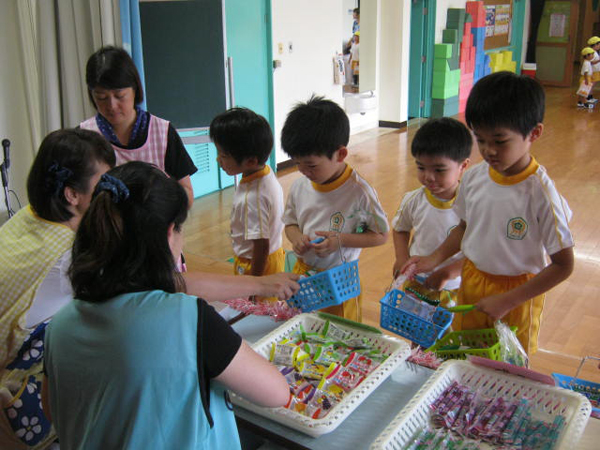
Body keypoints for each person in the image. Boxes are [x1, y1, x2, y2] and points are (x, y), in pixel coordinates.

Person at [42, 162, 289, 449]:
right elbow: (276, 393)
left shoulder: (60, 324)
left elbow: (52, 409)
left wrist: (260, 284)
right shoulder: (189, 318)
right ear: (170, 232)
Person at [402, 72, 574, 355]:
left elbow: (563, 265)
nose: (488, 150)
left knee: (509, 365)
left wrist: (508, 300)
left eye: (500, 141)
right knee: (468, 355)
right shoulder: (474, 178)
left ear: (534, 133)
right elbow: (465, 227)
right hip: (472, 280)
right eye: (480, 139)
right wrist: (435, 260)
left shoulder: (540, 192)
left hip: (517, 293)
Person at [0, 129, 115, 449]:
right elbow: (156, 287)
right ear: (71, 194)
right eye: (102, 183)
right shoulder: (69, 256)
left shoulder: (31, 215)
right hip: (17, 397)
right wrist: (260, 284)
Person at [281, 95, 389, 321]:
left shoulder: (359, 192)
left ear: (340, 154)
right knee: (304, 326)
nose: (302, 170)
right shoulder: (301, 185)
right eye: (296, 162)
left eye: (310, 164)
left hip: (340, 280)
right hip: (304, 273)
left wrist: (341, 241)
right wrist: (296, 238)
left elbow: (380, 235)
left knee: (342, 333)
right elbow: (290, 223)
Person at [80, 46, 197, 208]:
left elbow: (187, 194)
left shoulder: (162, 132)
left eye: (120, 96)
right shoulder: (85, 137)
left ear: (135, 89)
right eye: (101, 98)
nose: (112, 106)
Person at [392, 118, 471, 305]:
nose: (428, 177)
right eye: (421, 167)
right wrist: (402, 258)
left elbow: (481, 251)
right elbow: (400, 229)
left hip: (454, 286)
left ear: (463, 166)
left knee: (449, 332)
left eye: (439, 170)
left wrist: (449, 272)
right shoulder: (414, 199)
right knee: (413, 328)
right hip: (415, 281)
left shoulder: (472, 204)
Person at [209, 108, 285, 303]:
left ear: (251, 160)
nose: (219, 160)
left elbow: (261, 245)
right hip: (269, 258)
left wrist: (255, 283)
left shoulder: (254, 197)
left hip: (257, 264)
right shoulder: (263, 173)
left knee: (257, 310)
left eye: (224, 155)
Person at [586, 36, 600, 103]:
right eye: (599, 45)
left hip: (596, 71)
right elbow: (590, 62)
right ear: (595, 45)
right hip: (593, 72)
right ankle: (588, 97)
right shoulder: (592, 53)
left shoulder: (595, 52)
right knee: (591, 85)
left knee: (593, 85)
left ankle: (590, 96)